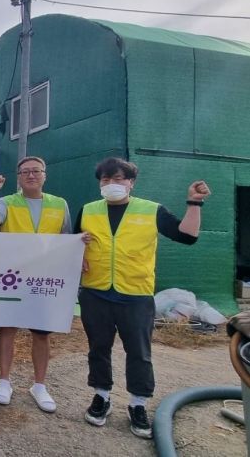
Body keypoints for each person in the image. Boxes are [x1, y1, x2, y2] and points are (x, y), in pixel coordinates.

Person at [76, 157, 210, 439]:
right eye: (105, 180)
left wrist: (194, 203)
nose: (111, 184)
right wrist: (79, 248)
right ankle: (101, 396)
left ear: (131, 183)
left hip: (135, 294)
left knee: (138, 352)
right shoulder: (88, 210)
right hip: (95, 292)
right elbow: (71, 242)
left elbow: (187, 236)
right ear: (99, 183)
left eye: (118, 179)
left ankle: (138, 404)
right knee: (98, 347)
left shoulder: (151, 210)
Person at [0, 156, 72, 413]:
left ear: (45, 174)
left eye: (36, 171)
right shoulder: (7, 202)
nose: (31, 175)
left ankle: (39, 385)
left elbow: (66, 238)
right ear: (18, 177)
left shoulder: (59, 204)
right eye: (25, 172)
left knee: (41, 333)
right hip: (12, 275)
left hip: (44, 277)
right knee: (8, 328)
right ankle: (4, 381)